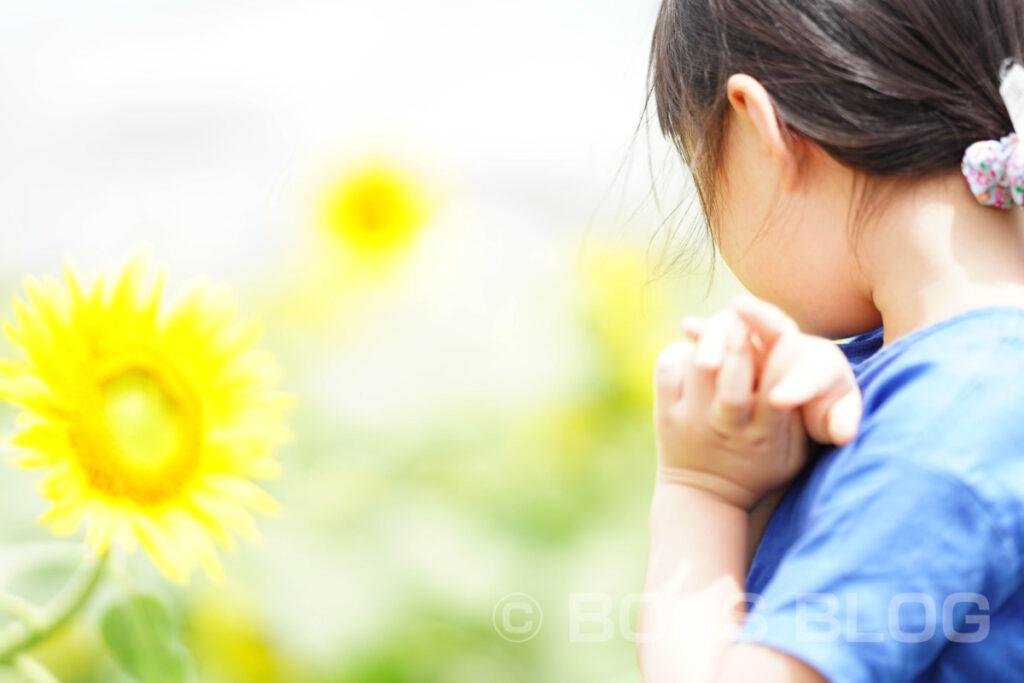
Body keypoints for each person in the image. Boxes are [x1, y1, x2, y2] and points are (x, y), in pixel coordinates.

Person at [638, 1, 1024, 681]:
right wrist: (764, 478)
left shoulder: (945, 427)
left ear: (762, 131)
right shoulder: (954, 391)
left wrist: (702, 491)